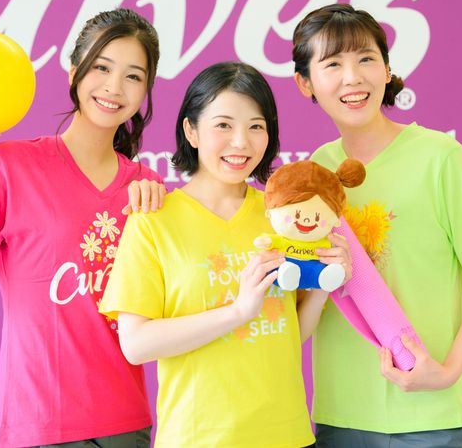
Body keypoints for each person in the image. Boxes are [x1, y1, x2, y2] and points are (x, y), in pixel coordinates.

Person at [0, 8, 167, 448]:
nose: (114, 87)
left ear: (145, 90)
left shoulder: (146, 188)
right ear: (74, 72)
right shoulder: (12, 167)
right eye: (102, 68)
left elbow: (163, 309)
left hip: (124, 422)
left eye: (133, 76)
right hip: (37, 421)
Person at [99, 62, 350, 447]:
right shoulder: (153, 221)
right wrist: (237, 312)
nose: (241, 142)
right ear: (191, 130)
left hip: (287, 434)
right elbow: (136, 345)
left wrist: (322, 285)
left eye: (256, 126)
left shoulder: (282, 217)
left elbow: (288, 333)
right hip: (197, 438)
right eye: (223, 125)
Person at [291, 3, 462, 447]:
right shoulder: (315, 173)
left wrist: (447, 372)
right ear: (305, 83)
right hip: (340, 411)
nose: (353, 78)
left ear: (387, 70)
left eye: (366, 59)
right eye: (332, 64)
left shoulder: (440, 158)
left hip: (430, 410)